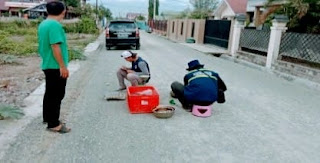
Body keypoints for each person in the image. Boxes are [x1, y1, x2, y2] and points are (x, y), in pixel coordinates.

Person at [38, 1, 71, 133]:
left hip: (48, 63)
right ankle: (53, 124)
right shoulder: (54, 25)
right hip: (55, 65)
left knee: (50, 93)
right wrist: (62, 66)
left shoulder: (44, 23)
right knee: (57, 95)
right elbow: (55, 46)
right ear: (63, 11)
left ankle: (48, 117)